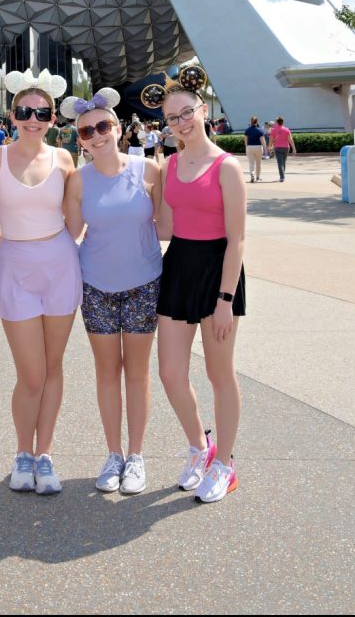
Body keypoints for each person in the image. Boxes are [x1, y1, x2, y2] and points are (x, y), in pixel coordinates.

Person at [0, 68, 79, 495]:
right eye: (24, 111)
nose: (32, 118)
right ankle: (23, 451)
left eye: (41, 112)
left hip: (59, 265)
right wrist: (15, 240)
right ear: (12, 115)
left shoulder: (65, 159)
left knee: (53, 366)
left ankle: (45, 454)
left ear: (54, 118)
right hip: (15, 267)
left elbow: (76, 223)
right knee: (31, 372)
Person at [152, 66, 246, 504]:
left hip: (217, 273)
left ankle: (225, 465)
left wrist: (225, 299)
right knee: (170, 372)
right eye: (172, 119)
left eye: (186, 113)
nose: (181, 123)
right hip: (179, 267)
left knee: (218, 372)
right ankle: (199, 446)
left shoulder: (227, 167)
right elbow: (165, 228)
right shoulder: (168, 165)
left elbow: (237, 239)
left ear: (203, 110)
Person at [64, 88, 163, 496]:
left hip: (143, 284)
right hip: (97, 286)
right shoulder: (77, 180)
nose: (97, 135)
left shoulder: (149, 171)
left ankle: (136, 456)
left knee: (137, 373)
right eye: (87, 132)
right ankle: (113, 453)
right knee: (107, 372)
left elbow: (171, 224)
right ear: (80, 140)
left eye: (103, 126)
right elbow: (67, 234)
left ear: (119, 128)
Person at [268, 117, 296, 181]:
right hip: (286, 148)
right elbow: (290, 140)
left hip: (277, 148)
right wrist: (294, 148)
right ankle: (283, 175)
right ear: (283, 122)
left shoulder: (273, 130)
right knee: (283, 162)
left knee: (280, 162)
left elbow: (271, 140)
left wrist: (269, 147)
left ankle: (282, 177)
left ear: (277, 122)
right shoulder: (286, 129)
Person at [243, 117, 266, 183]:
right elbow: (263, 141)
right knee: (258, 163)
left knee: (251, 163)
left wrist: (247, 147)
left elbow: (245, 140)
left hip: (250, 147)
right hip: (258, 147)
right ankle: (258, 177)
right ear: (257, 122)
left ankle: (252, 174)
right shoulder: (260, 130)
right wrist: (265, 149)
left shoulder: (247, 130)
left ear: (251, 122)